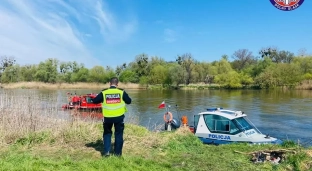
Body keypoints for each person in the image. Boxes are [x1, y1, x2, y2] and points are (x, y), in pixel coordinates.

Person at [91, 77, 132, 157]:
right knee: (118, 134)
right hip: (119, 117)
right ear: (117, 84)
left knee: (107, 133)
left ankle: (107, 152)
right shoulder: (121, 92)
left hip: (107, 118)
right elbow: (129, 101)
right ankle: (117, 154)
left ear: (109, 83)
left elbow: (95, 101)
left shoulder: (104, 92)